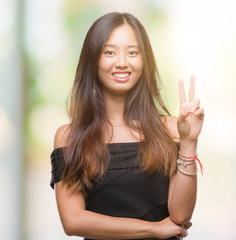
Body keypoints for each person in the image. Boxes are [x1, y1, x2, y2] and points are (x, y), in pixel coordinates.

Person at [50, 12, 204, 240]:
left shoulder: (170, 129)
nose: (122, 62)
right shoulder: (71, 136)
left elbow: (180, 215)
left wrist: (189, 143)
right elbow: (73, 221)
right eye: (109, 52)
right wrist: (154, 229)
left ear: (145, 61)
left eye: (132, 52)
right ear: (93, 60)